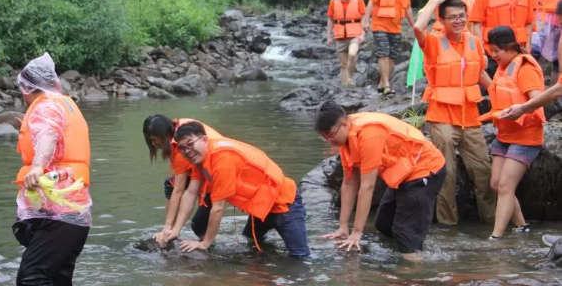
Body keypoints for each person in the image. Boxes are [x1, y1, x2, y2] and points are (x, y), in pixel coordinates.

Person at [12, 53, 92, 286]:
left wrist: (37, 165)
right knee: (55, 285)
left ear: (28, 87)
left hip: (57, 215)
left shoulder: (45, 107)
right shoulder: (64, 104)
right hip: (73, 215)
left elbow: (48, 135)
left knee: (30, 281)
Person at [315, 102, 446, 258]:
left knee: (404, 232)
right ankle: (410, 244)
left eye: (330, 135)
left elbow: (367, 186)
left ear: (343, 125)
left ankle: (414, 273)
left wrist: (356, 233)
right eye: (324, 137)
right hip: (403, 173)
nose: (330, 140)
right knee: (384, 224)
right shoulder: (345, 137)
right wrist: (343, 227)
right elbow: (349, 183)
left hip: (425, 170)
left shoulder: (369, 134)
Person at [169, 122, 310, 258]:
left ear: (205, 140)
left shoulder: (222, 160)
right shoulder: (199, 160)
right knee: (251, 242)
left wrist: (205, 244)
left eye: (190, 144)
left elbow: (218, 209)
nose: (187, 151)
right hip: (261, 208)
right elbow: (190, 193)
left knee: (300, 257)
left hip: (285, 205)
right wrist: (174, 231)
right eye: (182, 148)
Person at [414, 0, 496, 226]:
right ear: (442, 20)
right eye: (452, 17)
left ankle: (492, 224)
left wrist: (501, 96)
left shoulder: (475, 42)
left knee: (484, 171)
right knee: (446, 174)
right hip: (441, 117)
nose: (458, 21)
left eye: (462, 16)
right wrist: (435, 1)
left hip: (470, 117)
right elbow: (418, 27)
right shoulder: (433, 42)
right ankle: (448, 226)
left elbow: (480, 73)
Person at [479, 27, 545, 239]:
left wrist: (520, 110)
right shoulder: (502, 67)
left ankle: (495, 237)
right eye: (491, 51)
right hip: (505, 135)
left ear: (511, 47)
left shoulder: (525, 68)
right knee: (496, 183)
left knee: (506, 185)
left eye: (497, 50)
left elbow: (538, 98)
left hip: (526, 136)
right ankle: (522, 226)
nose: (494, 55)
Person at [142, 115, 222, 246]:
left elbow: (178, 191)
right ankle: (172, 228)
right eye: (150, 141)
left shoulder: (181, 148)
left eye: (154, 139)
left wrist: (167, 228)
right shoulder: (176, 129)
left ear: (164, 134)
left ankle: (208, 246)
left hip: (216, 173)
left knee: (198, 224)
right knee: (170, 183)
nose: (153, 144)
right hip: (206, 169)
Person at [363, 0, 415, 96]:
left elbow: (407, 8)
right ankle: (386, 85)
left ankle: (382, 83)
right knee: (383, 54)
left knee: (392, 56)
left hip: (396, 27)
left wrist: (414, 26)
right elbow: (371, 3)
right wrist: (365, 21)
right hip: (380, 25)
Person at [326, 0, 367, 86]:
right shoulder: (334, 1)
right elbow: (330, 19)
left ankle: (350, 78)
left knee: (352, 54)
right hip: (339, 36)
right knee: (343, 64)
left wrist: (363, 34)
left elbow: (363, 17)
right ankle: (345, 87)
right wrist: (329, 36)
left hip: (355, 34)